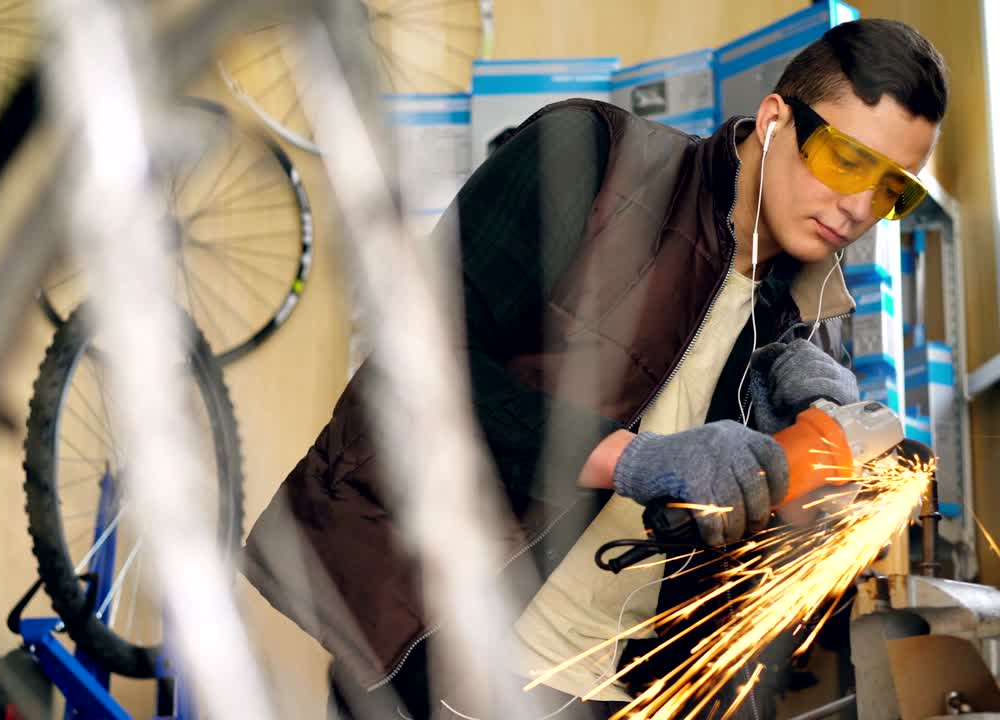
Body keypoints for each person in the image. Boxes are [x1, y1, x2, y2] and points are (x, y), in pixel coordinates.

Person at [241, 17, 948, 720]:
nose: (858, 207)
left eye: (893, 189)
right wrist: (631, 459)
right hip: (448, 651)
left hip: (618, 690)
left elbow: (748, 560)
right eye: (846, 160)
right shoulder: (590, 160)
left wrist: (808, 479)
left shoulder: (803, 315)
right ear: (773, 121)